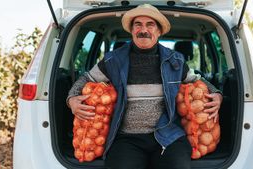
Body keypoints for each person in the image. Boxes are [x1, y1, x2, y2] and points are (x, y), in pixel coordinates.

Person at [67, 4, 222, 169]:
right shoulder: (113, 60)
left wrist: (216, 94)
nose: (143, 30)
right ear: (132, 30)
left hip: (167, 135)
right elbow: (85, 79)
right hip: (126, 138)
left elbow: (197, 80)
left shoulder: (175, 61)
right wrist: (72, 100)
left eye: (150, 25)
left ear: (159, 31)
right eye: (138, 24)